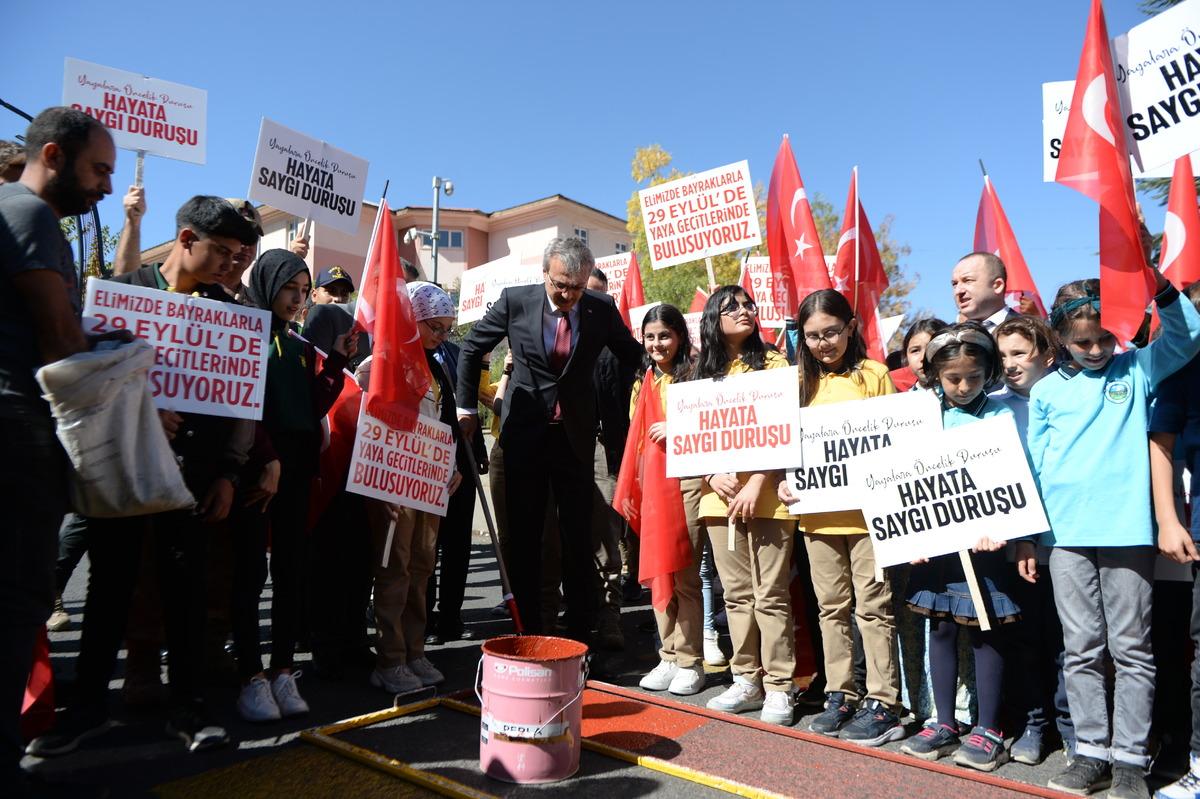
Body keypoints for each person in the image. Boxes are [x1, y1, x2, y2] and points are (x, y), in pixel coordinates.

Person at [27, 196, 258, 757]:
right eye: (222, 252)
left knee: (187, 592)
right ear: (184, 239)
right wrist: (143, 407)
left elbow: (240, 405)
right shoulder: (123, 297)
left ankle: (189, 710)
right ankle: (86, 711)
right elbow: (85, 384)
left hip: (195, 480)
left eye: (237, 255)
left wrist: (229, 473)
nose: (231, 265)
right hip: (123, 474)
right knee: (111, 590)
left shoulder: (225, 313)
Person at [1026, 273, 1200, 798]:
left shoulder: (1138, 367)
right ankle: (1090, 753)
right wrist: (1031, 536)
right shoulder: (1045, 391)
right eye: (1083, 342)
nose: (1097, 349)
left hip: (1128, 532)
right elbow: (1034, 467)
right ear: (1060, 338)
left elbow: (1188, 337)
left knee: (1131, 648)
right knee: (1080, 649)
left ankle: (1130, 760)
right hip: (1066, 536)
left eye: (1105, 338)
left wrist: (1159, 285)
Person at [0, 106, 113, 794]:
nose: (104, 185)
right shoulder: (31, 216)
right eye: (97, 168)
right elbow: (61, 339)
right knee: (18, 601)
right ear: (52, 153)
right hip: (18, 432)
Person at [454, 237, 642, 643]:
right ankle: (528, 630)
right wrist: (466, 408)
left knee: (579, 539)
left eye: (575, 287)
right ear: (544, 274)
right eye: (560, 285)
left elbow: (631, 353)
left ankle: (579, 634)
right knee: (526, 539)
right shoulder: (515, 301)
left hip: (574, 441)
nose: (568, 295)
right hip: (525, 438)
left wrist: (671, 373)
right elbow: (471, 348)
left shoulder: (600, 309)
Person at [776, 289, 904, 745]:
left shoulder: (874, 375)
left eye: (831, 332)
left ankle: (884, 701)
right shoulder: (798, 384)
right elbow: (783, 449)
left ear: (851, 328)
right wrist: (784, 484)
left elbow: (896, 440)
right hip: (817, 519)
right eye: (811, 336)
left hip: (870, 519)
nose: (822, 343)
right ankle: (840, 693)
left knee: (874, 609)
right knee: (831, 609)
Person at [232, 249, 354, 722]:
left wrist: (336, 366)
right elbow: (244, 405)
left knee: (290, 572)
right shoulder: (244, 336)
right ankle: (250, 676)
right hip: (257, 471)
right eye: (289, 289)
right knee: (249, 574)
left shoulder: (300, 346)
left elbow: (311, 410)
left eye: (303, 292)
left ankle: (282, 670)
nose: (297, 299)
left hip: (297, 472)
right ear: (266, 285)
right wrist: (267, 458)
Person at [897, 323, 1022, 771]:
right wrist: (910, 534)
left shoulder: (1000, 415)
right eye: (953, 379)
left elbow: (1011, 478)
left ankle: (989, 728)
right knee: (942, 627)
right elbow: (903, 476)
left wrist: (1001, 525)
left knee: (985, 630)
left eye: (973, 376)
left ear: (988, 372)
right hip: (937, 547)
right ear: (934, 374)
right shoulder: (920, 414)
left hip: (985, 548)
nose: (964, 386)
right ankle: (944, 722)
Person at [694, 285, 797, 725]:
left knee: (770, 594)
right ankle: (746, 679)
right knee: (735, 595)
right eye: (731, 306)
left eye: (747, 304)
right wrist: (711, 475)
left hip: (770, 499)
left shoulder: (775, 362)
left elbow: (784, 426)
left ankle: (780, 686)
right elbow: (692, 438)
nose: (744, 310)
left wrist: (758, 479)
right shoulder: (699, 374)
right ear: (713, 319)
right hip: (718, 503)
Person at [369, 281, 461, 693]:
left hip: (430, 480)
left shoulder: (438, 364)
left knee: (423, 565)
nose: (442, 337)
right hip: (396, 481)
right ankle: (390, 659)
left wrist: (453, 462)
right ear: (414, 320)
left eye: (447, 329)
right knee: (396, 567)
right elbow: (372, 422)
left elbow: (444, 421)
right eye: (435, 327)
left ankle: (415, 651)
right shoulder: (387, 362)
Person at [991, 315, 1074, 766]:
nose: (1009, 364)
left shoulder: (1068, 396)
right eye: (1001, 356)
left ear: (1046, 353)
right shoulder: (994, 407)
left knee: (1067, 640)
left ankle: (1072, 728)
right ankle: (1035, 723)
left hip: (1063, 539)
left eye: (1018, 353)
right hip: (1014, 547)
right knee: (1026, 638)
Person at [629, 304, 707, 696]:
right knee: (659, 571)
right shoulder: (644, 379)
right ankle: (669, 655)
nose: (658, 343)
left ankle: (691, 661)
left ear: (680, 337)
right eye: (651, 336)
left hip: (689, 483)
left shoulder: (696, 377)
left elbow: (711, 426)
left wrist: (677, 427)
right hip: (654, 486)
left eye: (665, 335)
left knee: (684, 576)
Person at [1149, 284, 1200, 799]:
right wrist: (1169, 518)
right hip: (1188, 530)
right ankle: (1190, 757)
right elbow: (1160, 444)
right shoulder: (1180, 370)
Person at [587, 266, 637, 650]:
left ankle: (609, 620)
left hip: (605, 455)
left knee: (606, 542)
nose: (594, 304)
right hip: (561, 453)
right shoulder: (553, 337)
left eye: (602, 297)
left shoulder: (620, 348)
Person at [950, 252, 1018, 332]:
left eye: (968, 280)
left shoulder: (1029, 333)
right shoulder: (946, 336)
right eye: (955, 284)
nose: (958, 291)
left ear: (997, 285)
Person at [903, 317, 949, 389]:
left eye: (932, 348)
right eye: (915, 351)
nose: (923, 358)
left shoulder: (965, 396)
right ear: (906, 357)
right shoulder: (903, 399)